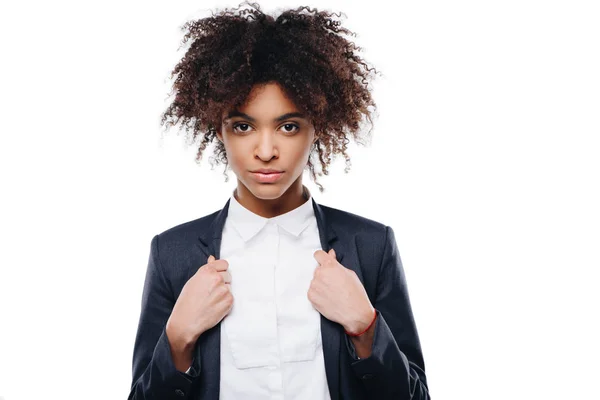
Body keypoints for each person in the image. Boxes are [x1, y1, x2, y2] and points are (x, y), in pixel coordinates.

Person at [128, 2, 430, 399]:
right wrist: (178, 339)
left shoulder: (370, 246)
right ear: (219, 129)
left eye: (288, 126)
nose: (266, 150)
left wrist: (365, 326)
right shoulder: (174, 253)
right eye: (243, 126)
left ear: (317, 126)